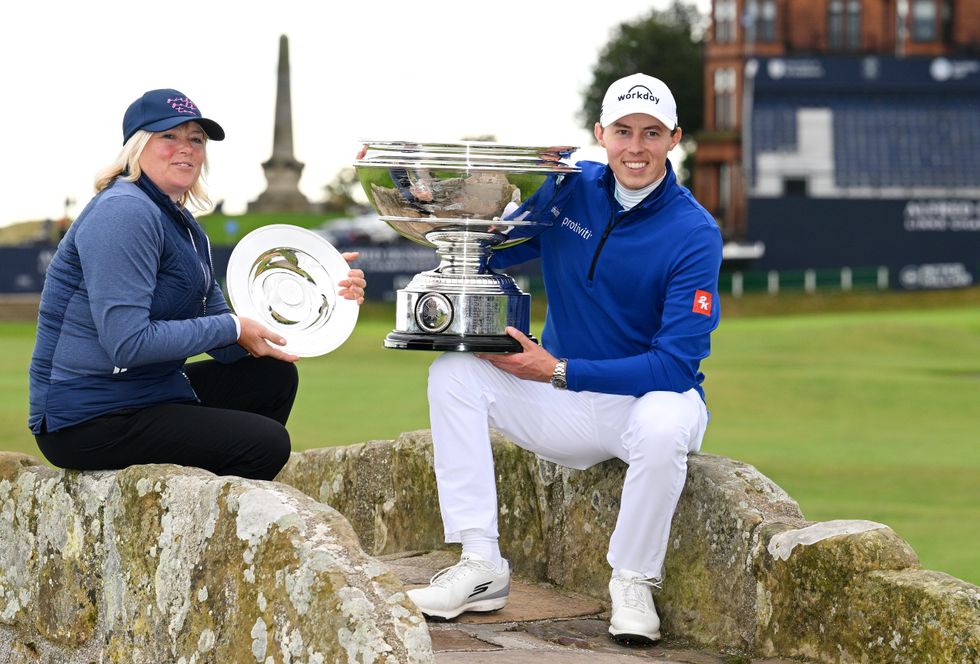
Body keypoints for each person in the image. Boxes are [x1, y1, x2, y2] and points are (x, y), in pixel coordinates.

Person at [407, 73, 722, 644]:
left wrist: (554, 369)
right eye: (623, 131)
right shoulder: (571, 187)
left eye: (651, 133)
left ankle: (632, 582)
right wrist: (426, 212)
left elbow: (675, 366)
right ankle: (481, 564)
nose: (635, 147)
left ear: (674, 138)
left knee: (664, 419)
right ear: (600, 133)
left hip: (640, 408)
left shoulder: (694, 231)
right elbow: (488, 244)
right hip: (565, 405)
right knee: (453, 370)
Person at [28, 88, 366, 481]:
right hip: (86, 416)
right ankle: (202, 525)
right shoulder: (124, 210)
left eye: (196, 139)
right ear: (136, 147)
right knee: (265, 444)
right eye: (168, 136)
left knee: (272, 378)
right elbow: (127, 342)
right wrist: (233, 327)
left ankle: (205, 502)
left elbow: (226, 343)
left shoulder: (185, 227)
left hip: (149, 391)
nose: (185, 149)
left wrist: (318, 289)